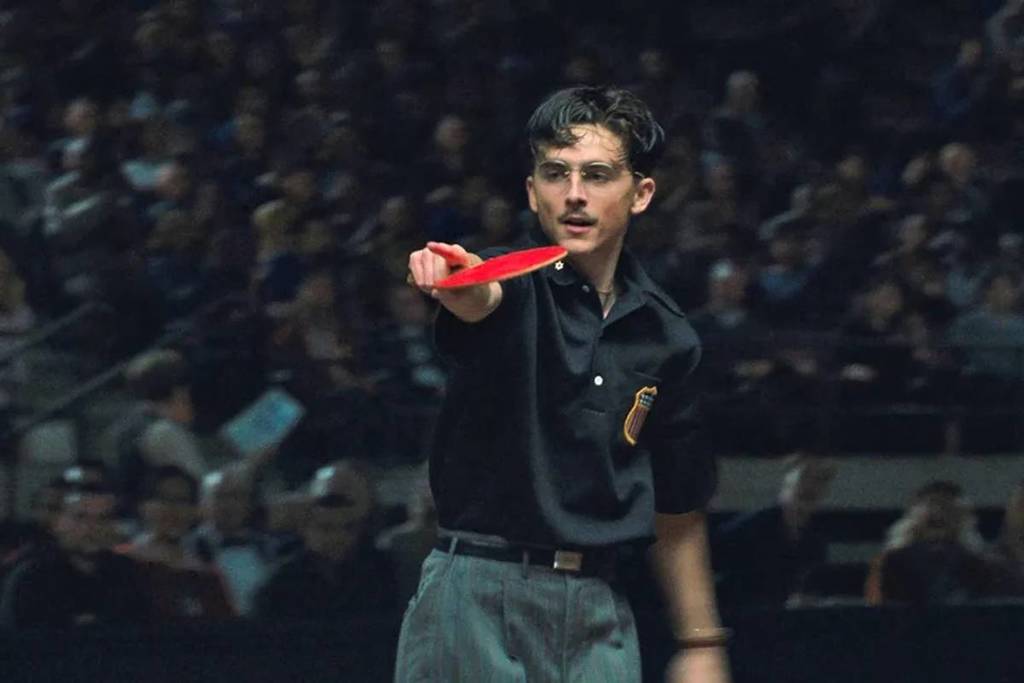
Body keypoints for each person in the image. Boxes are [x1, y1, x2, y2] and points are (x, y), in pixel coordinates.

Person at [399, 86, 730, 683]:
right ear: (533, 192)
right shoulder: (510, 282)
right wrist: (455, 282)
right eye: (556, 174)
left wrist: (700, 641)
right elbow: (479, 296)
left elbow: (677, 504)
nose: (574, 193)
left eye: (597, 175)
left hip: (599, 606)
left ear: (641, 194)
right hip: (478, 593)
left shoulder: (668, 336)